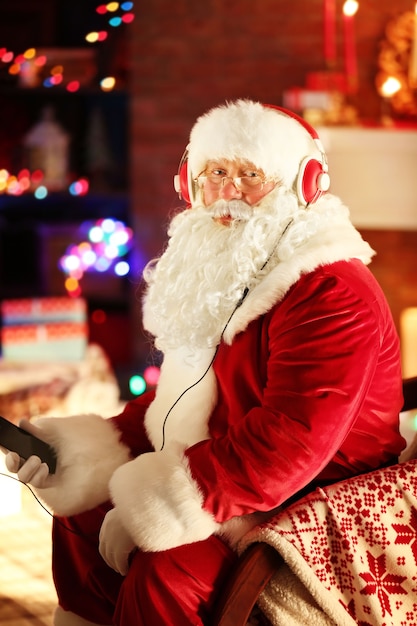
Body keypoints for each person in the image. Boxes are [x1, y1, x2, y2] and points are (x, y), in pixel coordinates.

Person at [3, 99, 406, 626]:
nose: (228, 191)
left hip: (315, 500)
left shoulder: (329, 289)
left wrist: (160, 507)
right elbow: (182, 403)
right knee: (80, 517)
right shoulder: (225, 273)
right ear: (189, 182)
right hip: (233, 470)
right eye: (215, 172)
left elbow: (291, 440)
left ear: (302, 186)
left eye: (250, 175)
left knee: (164, 568)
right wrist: (82, 450)